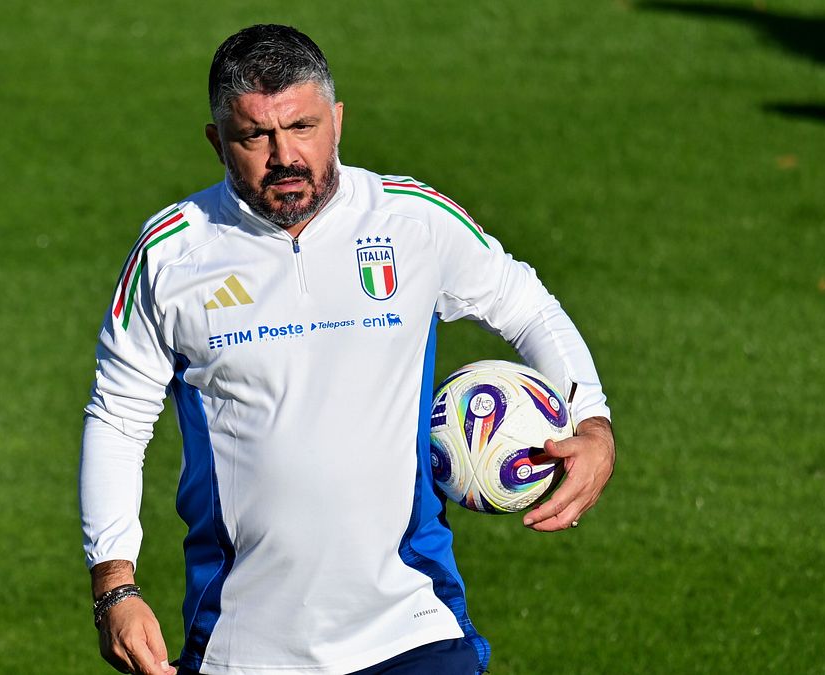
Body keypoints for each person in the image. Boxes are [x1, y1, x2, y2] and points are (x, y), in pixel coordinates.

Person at [80, 24, 614, 675]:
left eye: (302, 127)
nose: (285, 155)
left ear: (337, 121)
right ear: (217, 141)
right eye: (255, 136)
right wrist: (115, 585)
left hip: (414, 626)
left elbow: (527, 306)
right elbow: (117, 417)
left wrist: (592, 423)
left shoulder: (412, 220)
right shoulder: (173, 253)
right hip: (242, 646)